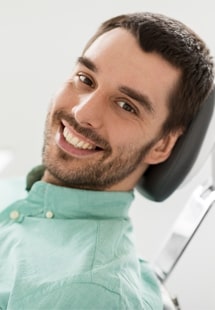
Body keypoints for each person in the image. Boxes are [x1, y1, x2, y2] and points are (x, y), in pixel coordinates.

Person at [0, 12, 214, 310]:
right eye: (86, 79)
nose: (82, 113)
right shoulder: (14, 191)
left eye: (126, 106)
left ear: (162, 145)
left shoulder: (91, 294)